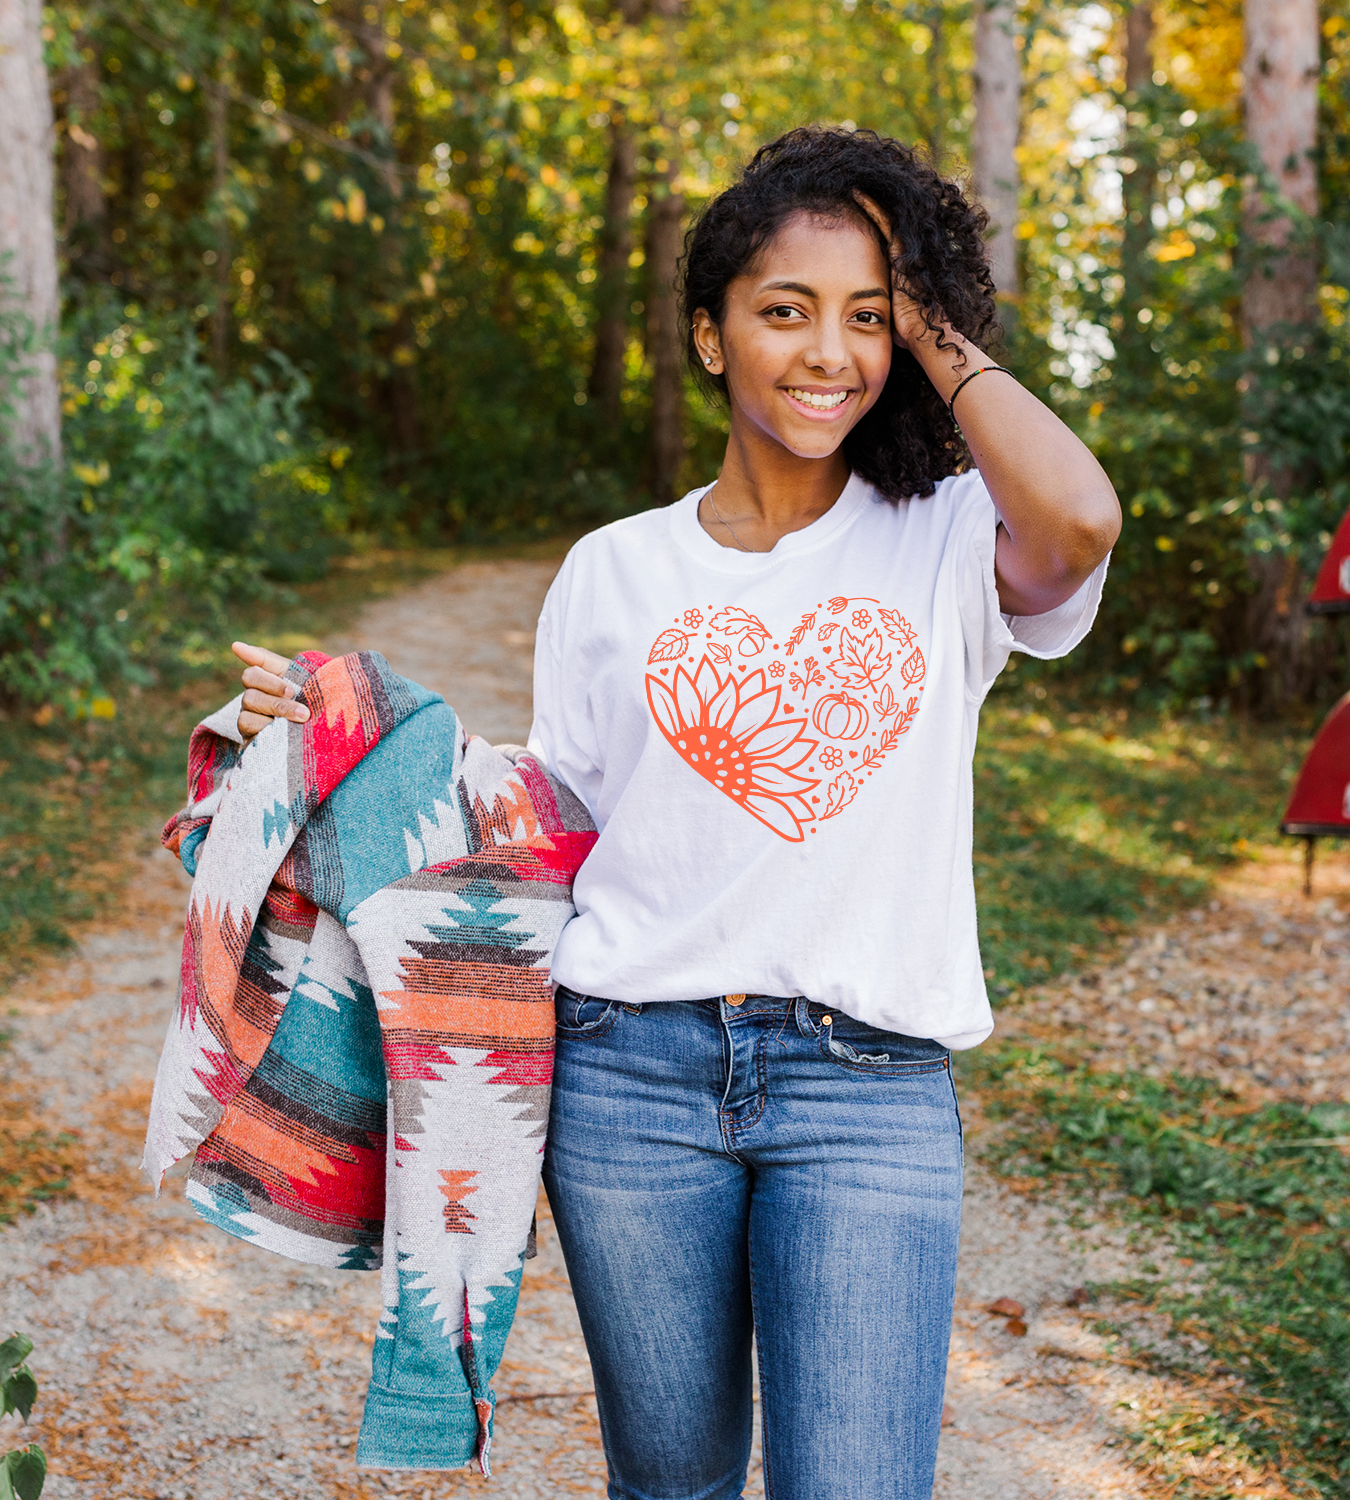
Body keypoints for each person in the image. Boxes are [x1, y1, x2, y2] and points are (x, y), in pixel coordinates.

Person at [232, 127, 1119, 1500]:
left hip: (866, 1090)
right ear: (710, 337)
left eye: (868, 317)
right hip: (630, 1085)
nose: (831, 351)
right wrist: (343, 741)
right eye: (785, 311)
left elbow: (1081, 520)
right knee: (674, 1485)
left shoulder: (946, 535)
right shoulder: (613, 573)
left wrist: (939, 315)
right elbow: (547, 817)